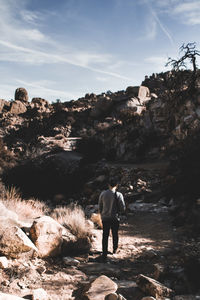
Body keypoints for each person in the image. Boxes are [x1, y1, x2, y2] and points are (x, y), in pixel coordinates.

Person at [98, 178, 126, 262]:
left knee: (105, 235)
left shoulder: (103, 194)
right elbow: (123, 208)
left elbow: (100, 206)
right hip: (115, 217)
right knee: (115, 234)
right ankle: (114, 249)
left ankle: (104, 252)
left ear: (108, 185)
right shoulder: (119, 194)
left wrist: (102, 213)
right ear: (116, 185)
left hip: (105, 217)